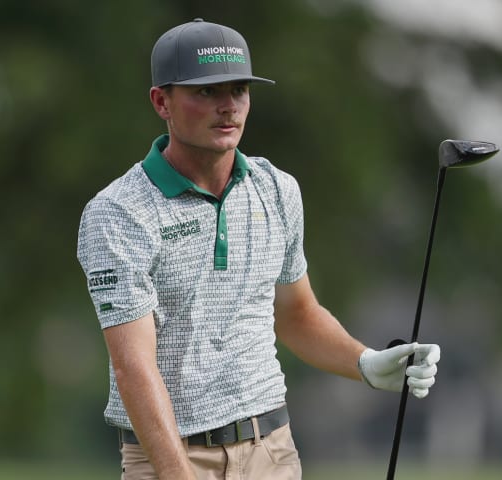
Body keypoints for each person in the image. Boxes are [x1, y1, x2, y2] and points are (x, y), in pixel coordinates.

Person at [76, 18, 441, 480]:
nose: (228, 107)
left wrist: (364, 362)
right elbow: (134, 367)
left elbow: (296, 313)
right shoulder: (119, 213)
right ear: (161, 101)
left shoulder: (277, 189)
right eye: (206, 92)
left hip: (271, 451)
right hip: (171, 457)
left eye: (239, 90)